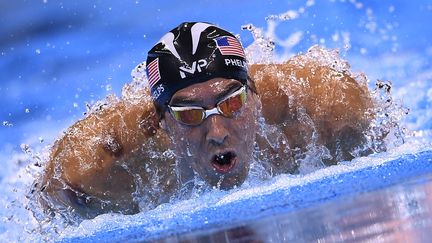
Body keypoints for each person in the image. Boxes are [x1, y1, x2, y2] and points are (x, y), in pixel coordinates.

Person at [35, 22, 375, 220]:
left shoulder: (324, 108)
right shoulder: (103, 165)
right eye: (190, 114)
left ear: (254, 95)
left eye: (231, 103)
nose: (216, 132)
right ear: (162, 122)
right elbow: (52, 194)